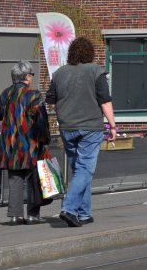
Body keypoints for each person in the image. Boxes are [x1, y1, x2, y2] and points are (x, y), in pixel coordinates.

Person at [46, 36, 116, 228]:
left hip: (67, 127)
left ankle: (84, 213)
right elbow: (105, 100)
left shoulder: (59, 73)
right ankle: (69, 209)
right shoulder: (96, 71)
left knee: (79, 170)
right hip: (90, 127)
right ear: (90, 53)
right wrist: (112, 125)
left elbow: (51, 99)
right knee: (85, 169)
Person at [0, 61, 49, 225]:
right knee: (33, 178)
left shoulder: (6, 93)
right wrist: (45, 140)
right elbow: (42, 119)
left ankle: (15, 215)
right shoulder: (33, 94)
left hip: (10, 144)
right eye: (31, 74)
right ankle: (32, 215)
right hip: (29, 142)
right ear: (27, 76)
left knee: (15, 179)